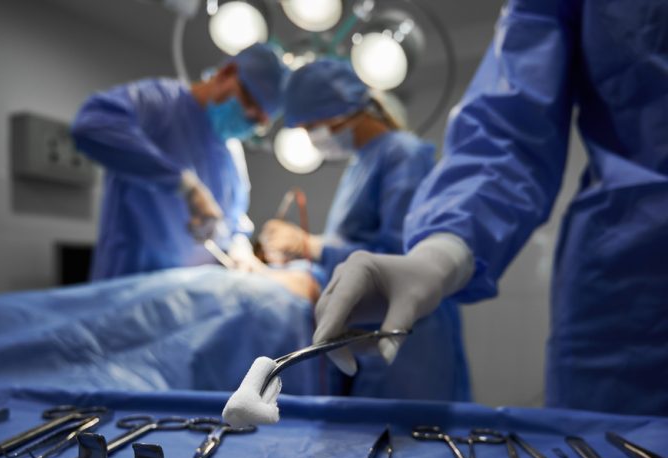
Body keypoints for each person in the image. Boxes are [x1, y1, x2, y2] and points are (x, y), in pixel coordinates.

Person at [313, 0, 668, 415]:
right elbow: (508, 130)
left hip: (630, 291)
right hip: (632, 306)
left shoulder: (399, 155)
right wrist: (438, 255)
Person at [261, 59, 469, 400]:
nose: (312, 137)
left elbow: (402, 258)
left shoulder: (403, 154)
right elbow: (354, 253)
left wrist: (312, 246)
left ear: (340, 111)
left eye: (312, 125)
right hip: (367, 335)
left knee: (414, 443)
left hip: (410, 344)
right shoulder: (361, 163)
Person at [72, 44, 289, 280]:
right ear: (227, 73)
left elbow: (234, 223)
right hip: (129, 285)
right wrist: (185, 186)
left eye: (258, 120)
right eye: (248, 102)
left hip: (187, 301)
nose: (247, 118)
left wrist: (239, 249)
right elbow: (92, 125)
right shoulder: (162, 104)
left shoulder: (231, 155)